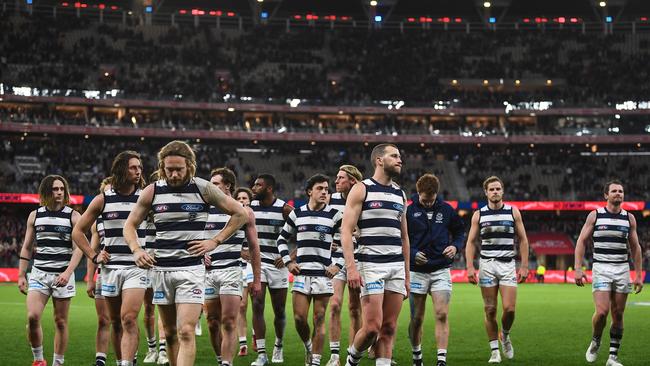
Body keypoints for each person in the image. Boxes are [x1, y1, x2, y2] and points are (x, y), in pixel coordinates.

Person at [123, 140, 247, 366]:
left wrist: (215, 241)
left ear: (189, 166)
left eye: (179, 169)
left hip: (191, 270)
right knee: (169, 333)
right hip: (161, 270)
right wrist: (136, 249)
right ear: (162, 166)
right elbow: (129, 225)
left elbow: (240, 214)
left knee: (187, 331)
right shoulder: (152, 191)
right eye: (169, 169)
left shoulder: (203, 188)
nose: (173, 174)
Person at [72, 151, 148, 366]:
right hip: (109, 269)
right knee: (115, 322)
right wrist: (94, 255)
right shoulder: (103, 199)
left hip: (136, 267)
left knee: (129, 318)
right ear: (121, 169)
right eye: (133, 167)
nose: (138, 171)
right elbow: (78, 232)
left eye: (139, 167)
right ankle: (123, 361)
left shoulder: (145, 197)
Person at [342, 143, 410, 366]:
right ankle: (352, 359)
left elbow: (404, 238)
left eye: (400, 156)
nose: (400, 159)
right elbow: (346, 230)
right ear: (379, 160)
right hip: (371, 264)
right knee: (372, 327)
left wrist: (407, 276)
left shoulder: (400, 194)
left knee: (389, 328)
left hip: (396, 267)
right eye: (394, 156)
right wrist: (351, 267)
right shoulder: (362, 188)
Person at [574, 180, 644, 366]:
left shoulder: (629, 218)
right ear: (606, 195)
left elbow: (636, 248)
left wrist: (638, 274)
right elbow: (581, 241)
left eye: (621, 191)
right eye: (614, 191)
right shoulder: (595, 216)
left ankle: (612, 357)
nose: (618, 194)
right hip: (601, 268)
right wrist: (578, 268)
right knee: (602, 312)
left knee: (618, 314)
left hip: (622, 269)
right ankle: (596, 339)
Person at [17, 175, 84, 366]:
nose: (59, 192)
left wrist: (68, 273)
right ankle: (39, 360)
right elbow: (27, 246)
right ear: (47, 191)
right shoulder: (35, 215)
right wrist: (21, 274)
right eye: (55, 189)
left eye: (62, 189)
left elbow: (79, 248)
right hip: (39, 273)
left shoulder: (73, 216)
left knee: (61, 322)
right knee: (32, 317)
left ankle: (58, 362)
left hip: (62, 274)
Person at [277, 174, 343, 366]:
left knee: (319, 318)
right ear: (309, 192)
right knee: (299, 318)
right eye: (320, 188)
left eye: (326, 189)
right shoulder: (297, 213)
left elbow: (349, 243)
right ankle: (308, 345)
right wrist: (288, 262)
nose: (324, 192)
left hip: (323, 275)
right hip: (301, 273)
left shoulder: (335, 215)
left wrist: (337, 265)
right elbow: (282, 239)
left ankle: (314, 362)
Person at [465, 176, 529, 364]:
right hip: (487, 265)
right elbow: (470, 242)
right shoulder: (479, 214)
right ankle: (494, 351)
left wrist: (524, 266)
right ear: (486, 192)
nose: (495, 192)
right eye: (491, 189)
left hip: (508, 264)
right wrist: (469, 266)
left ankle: (505, 335)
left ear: (503, 191)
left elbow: (523, 240)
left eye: (498, 189)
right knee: (490, 310)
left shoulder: (513, 212)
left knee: (509, 310)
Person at [205, 168, 262, 366]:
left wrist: (256, 279)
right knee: (212, 322)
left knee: (229, 321)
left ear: (227, 185)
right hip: (208, 273)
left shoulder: (244, 211)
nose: (210, 187)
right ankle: (221, 358)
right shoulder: (204, 208)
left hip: (232, 270)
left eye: (215, 184)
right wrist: (201, 254)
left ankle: (226, 363)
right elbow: (192, 238)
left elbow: (254, 248)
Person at [407, 174, 464, 366]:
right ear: (418, 193)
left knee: (441, 313)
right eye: (425, 200)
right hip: (417, 271)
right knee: (416, 318)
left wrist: (455, 246)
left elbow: (459, 231)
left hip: (441, 269)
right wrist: (413, 252)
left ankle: (441, 360)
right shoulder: (409, 211)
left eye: (432, 200)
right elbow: (401, 238)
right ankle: (417, 357)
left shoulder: (447, 210)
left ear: (436, 194)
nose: (429, 203)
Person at [249, 174, 294, 366]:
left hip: (278, 266)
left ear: (269, 188)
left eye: (258, 185)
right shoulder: (249, 208)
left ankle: (279, 344)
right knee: (257, 304)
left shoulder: (285, 209)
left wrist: (289, 257)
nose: (253, 187)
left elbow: (307, 232)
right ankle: (261, 354)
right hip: (258, 265)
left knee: (279, 311)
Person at [325, 165, 363, 366]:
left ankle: (352, 353)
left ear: (352, 181)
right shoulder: (331, 200)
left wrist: (360, 234)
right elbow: (323, 224)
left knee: (355, 308)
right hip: (337, 260)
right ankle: (334, 355)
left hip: (359, 260)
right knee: (335, 304)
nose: (336, 181)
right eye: (336, 177)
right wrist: (326, 239)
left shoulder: (362, 199)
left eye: (340, 178)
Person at [85, 178, 123, 366]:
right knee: (103, 320)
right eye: (107, 192)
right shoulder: (97, 222)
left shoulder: (129, 212)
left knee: (126, 320)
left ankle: (126, 359)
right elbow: (93, 249)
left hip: (127, 271)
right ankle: (100, 360)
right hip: (104, 274)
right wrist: (90, 279)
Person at [235, 187, 254, 356]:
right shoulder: (232, 216)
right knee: (241, 306)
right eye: (239, 198)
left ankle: (256, 336)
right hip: (239, 265)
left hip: (255, 265)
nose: (242, 200)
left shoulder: (255, 217)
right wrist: (241, 252)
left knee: (258, 304)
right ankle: (243, 343)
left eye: (245, 198)